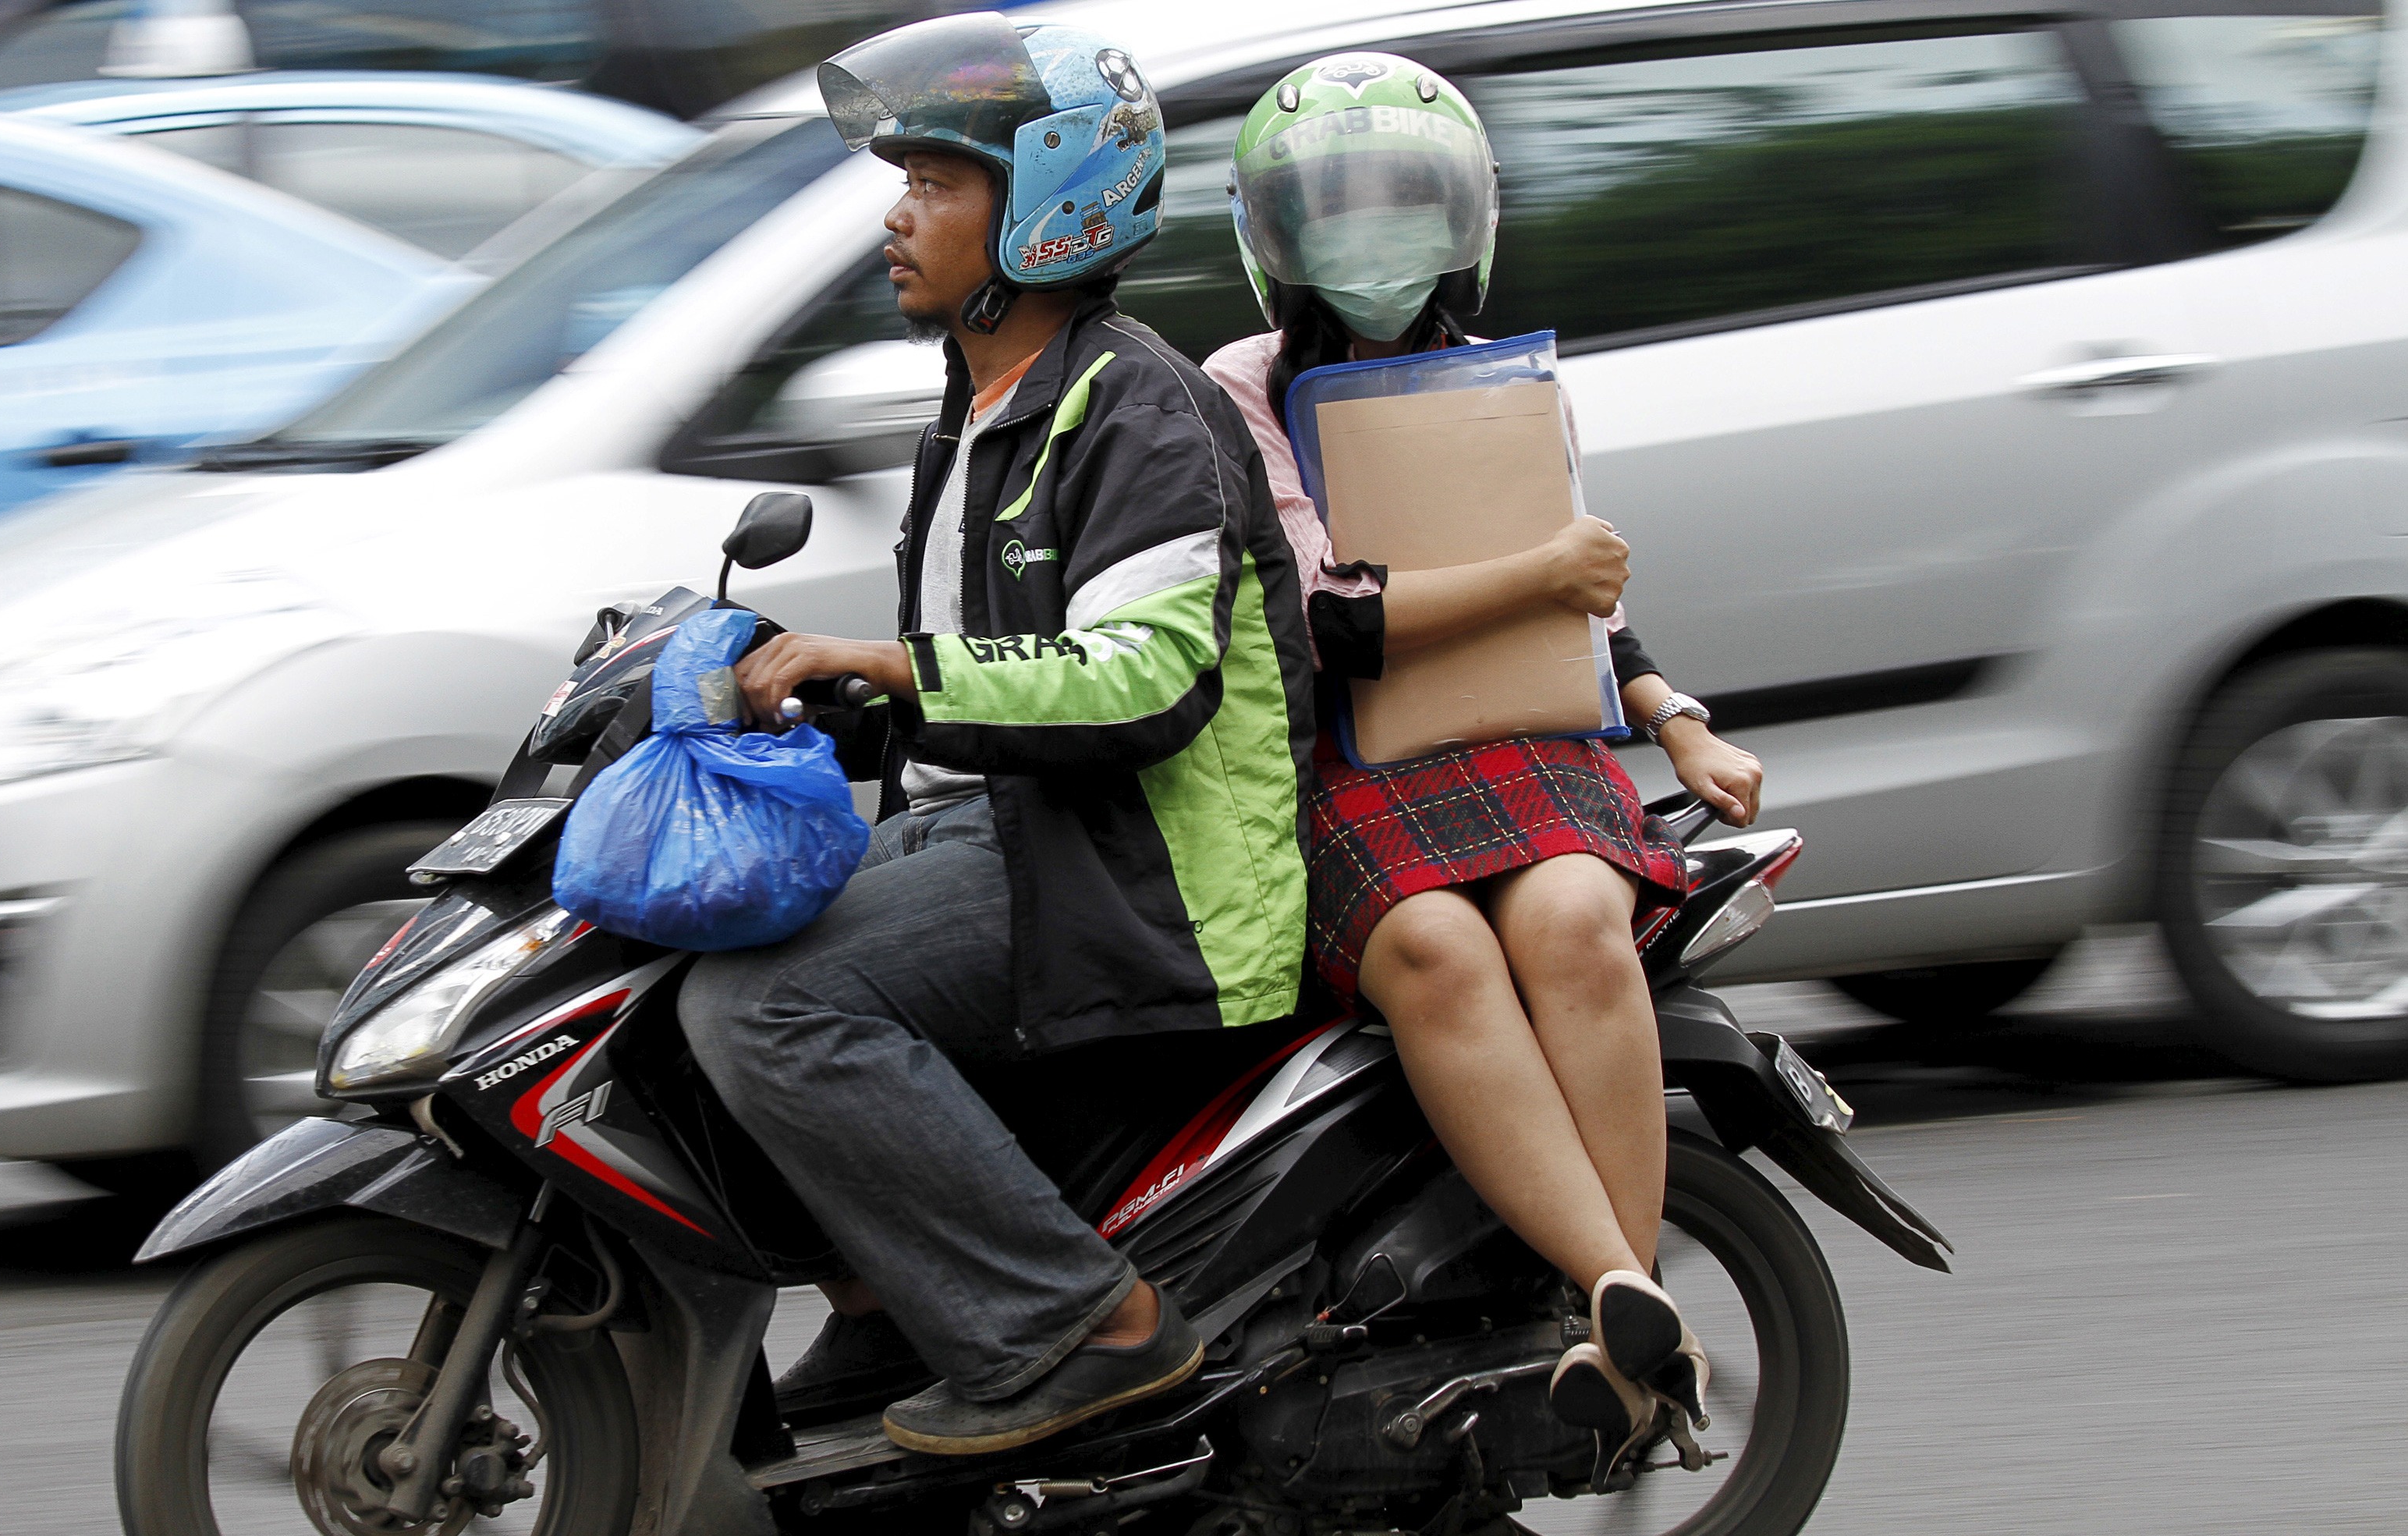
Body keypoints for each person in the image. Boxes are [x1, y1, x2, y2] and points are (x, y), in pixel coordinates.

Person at [676, 12, 1319, 1456]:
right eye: (900, 181)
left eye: (937, 183)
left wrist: (893, 664)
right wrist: (802, 690)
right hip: (1024, 825)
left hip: (1154, 866)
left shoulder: (1134, 405)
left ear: (1045, 206)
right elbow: (988, 675)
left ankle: (1080, 1322)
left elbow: (1140, 679)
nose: (897, 217)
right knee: (686, 954)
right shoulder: (982, 405)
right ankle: (882, 1295)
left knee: (766, 1007)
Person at [1198, 54, 1766, 1459]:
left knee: (1579, 918)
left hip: (1525, 734)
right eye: (1334, 203)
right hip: (1351, 762)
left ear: (1464, 219)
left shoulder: (1507, 385)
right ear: (1274, 233)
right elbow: (1327, 617)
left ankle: (1612, 1314)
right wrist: (1542, 570)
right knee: (1438, 951)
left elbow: (1595, 603)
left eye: (1401, 198)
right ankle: (1639, 1313)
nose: (1370, 229)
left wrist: (1675, 713)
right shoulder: (1241, 390)